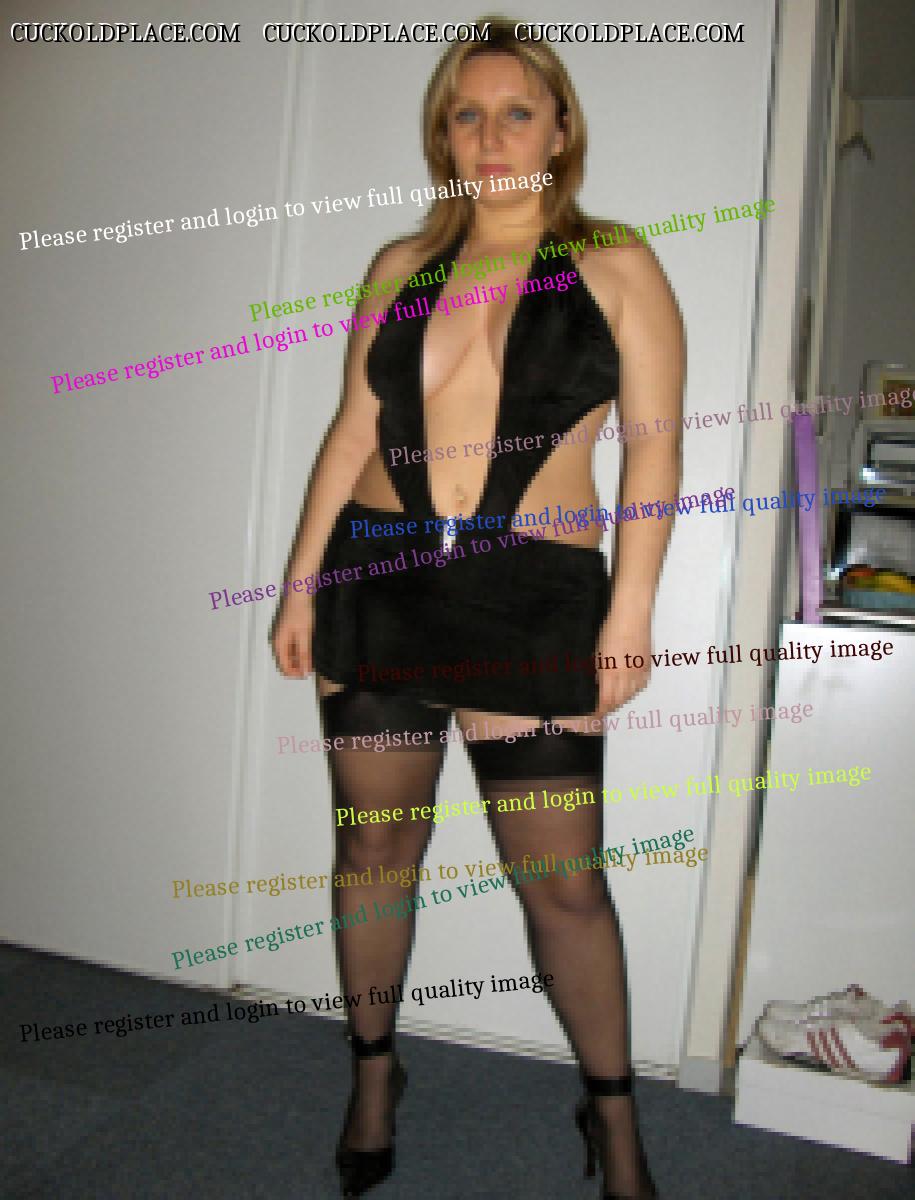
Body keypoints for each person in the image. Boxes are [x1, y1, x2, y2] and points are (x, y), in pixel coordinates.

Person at [272, 18, 683, 1199]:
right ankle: (374, 1073)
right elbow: (351, 434)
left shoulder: (614, 262)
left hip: (533, 599)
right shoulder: (400, 265)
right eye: (467, 114)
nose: (491, 135)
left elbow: (655, 450)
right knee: (375, 852)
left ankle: (613, 1116)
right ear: (442, 136)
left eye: (516, 112)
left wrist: (630, 614)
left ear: (559, 130)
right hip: (377, 588)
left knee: (564, 883)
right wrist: (299, 584)